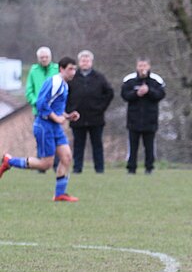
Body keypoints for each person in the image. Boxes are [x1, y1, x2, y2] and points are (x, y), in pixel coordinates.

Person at [1, 57, 81, 201]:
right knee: (45, 164)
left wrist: (68, 116)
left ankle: (59, 194)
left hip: (55, 127)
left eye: (75, 69)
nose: (73, 72)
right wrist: (57, 118)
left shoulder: (65, 85)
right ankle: (9, 161)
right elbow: (40, 104)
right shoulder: (54, 82)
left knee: (67, 157)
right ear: (61, 69)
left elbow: (55, 108)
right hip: (44, 126)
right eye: (70, 69)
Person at [65, 50, 114, 173]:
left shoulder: (99, 77)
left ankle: (99, 169)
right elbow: (65, 96)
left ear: (91, 62)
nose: (85, 63)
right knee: (78, 145)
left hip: (95, 117)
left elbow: (109, 93)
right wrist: (69, 111)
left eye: (87, 60)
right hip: (77, 117)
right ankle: (77, 168)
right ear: (79, 63)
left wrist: (101, 108)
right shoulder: (72, 78)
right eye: (82, 60)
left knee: (97, 144)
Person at [120, 57, 166, 175]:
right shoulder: (129, 80)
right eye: (140, 66)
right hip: (133, 120)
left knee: (149, 147)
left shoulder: (156, 80)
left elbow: (160, 95)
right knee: (133, 147)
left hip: (150, 119)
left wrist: (149, 91)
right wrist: (137, 93)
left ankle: (149, 168)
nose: (142, 68)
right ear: (137, 67)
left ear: (149, 66)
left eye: (145, 66)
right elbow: (124, 95)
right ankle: (131, 168)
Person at [25, 46, 58, 116]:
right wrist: (36, 102)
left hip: (54, 110)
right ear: (38, 58)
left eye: (46, 57)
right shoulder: (34, 71)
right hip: (39, 111)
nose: (44, 59)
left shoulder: (57, 69)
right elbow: (29, 91)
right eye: (42, 57)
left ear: (50, 57)